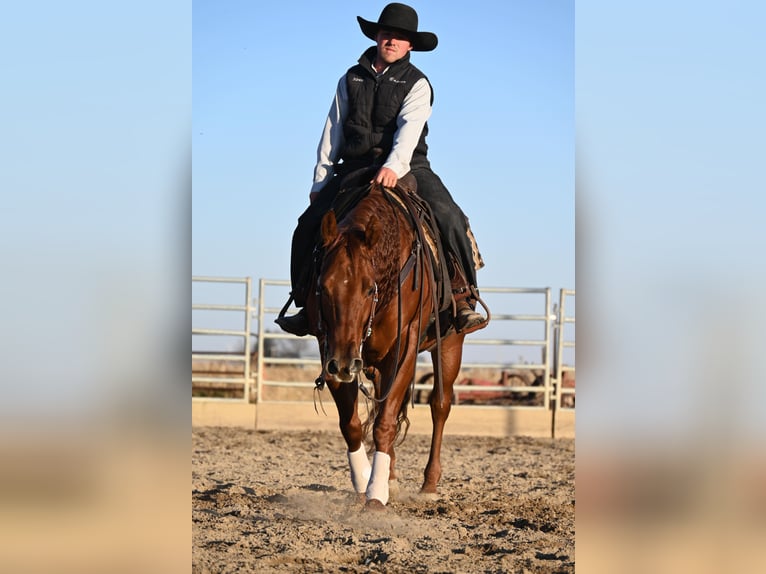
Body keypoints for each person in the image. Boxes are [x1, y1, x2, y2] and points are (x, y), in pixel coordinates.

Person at [277, 2, 488, 337]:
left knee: (449, 215)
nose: (392, 41)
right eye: (387, 34)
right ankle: (303, 302)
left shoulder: (418, 83)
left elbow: (410, 129)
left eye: (401, 38)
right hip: (356, 166)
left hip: (409, 165)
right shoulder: (350, 78)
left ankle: (464, 297)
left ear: (410, 46)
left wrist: (393, 166)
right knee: (307, 225)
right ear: (377, 36)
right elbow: (333, 129)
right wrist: (322, 178)